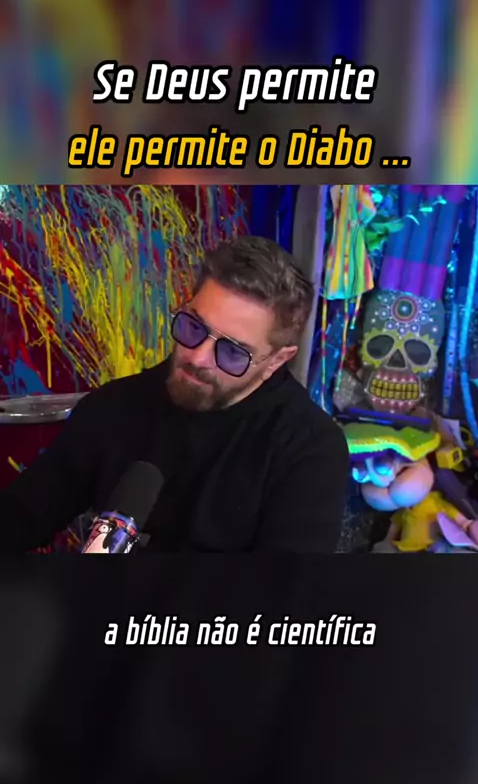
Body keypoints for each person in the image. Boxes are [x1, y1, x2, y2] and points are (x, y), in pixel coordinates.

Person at [2, 235, 350, 553]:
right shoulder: (115, 409)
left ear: (276, 360)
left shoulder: (309, 451)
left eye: (232, 352)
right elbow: (22, 516)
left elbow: (284, 594)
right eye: (193, 326)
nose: (197, 358)